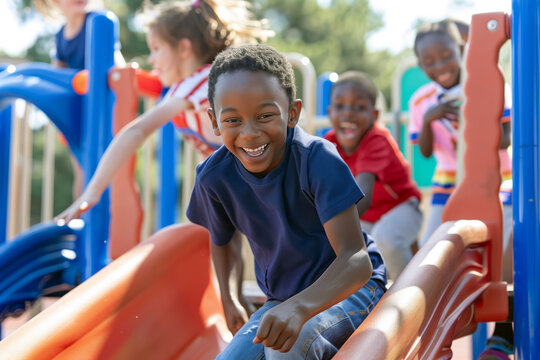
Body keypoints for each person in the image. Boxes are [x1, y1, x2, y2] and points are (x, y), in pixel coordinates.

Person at [186, 43, 387, 359]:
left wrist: (300, 307)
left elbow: (355, 259)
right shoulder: (214, 176)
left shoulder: (317, 160)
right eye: (232, 120)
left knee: (286, 346)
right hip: (283, 298)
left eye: (265, 116)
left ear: (292, 113)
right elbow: (221, 239)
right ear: (214, 121)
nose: (250, 133)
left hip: (352, 289)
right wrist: (229, 296)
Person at [409, 20, 514, 359]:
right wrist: (430, 118)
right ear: (420, 65)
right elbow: (423, 151)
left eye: (445, 56)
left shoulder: (487, 84)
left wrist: (474, 122)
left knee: (506, 250)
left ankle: (502, 334)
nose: (439, 67)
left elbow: (509, 136)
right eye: (429, 62)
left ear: (461, 52)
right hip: (448, 184)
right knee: (433, 253)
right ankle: (436, 333)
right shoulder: (422, 99)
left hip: (496, 180)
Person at [324, 71, 422, 280]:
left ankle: (407, 294)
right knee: (341, 247)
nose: (348, 113)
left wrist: (328, 228)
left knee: (384, 240)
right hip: (370, 217)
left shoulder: (376, 140)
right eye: (340, 106)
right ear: (330, 112)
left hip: (403, 207)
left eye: (359, 107)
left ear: (375, 115)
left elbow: (363, 196)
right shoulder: (329, 143)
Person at [35, 0, 125, 199]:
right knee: (82, 170)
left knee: (107, 168)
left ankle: (105, 218)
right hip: (79, 114)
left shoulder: (98, 22)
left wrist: (121, 74)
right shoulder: (61, 35)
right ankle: (84, 218)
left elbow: (117, 65)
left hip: (103, 111)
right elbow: (57, 76)